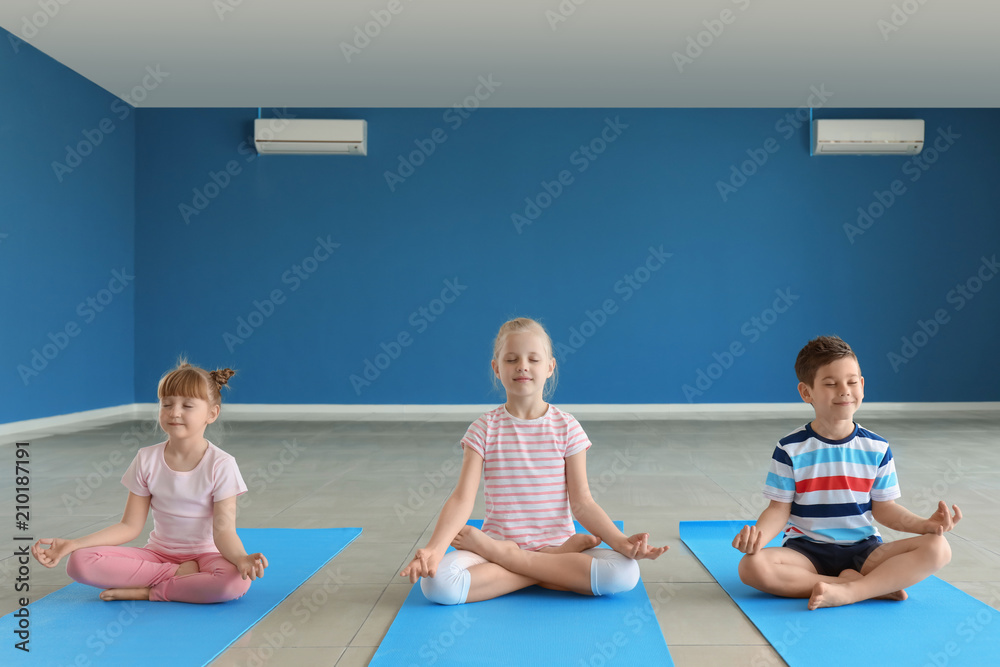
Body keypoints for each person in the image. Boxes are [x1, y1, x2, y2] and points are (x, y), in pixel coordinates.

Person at [400, 317, 667, 604]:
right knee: (437, 586)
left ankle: (515, 559)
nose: (522, 366)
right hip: (504, 542)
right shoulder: (484, 428)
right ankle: (551, 566)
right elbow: (462, 498)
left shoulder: (567, 427)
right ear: (496, 368)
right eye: (511, 359)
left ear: (550, 367)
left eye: (534, 359)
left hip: (506, 551)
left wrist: (621, 542)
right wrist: (435, 550)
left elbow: (583, 503)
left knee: (626, 573)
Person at [732, 335, 961, 610]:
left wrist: (925, 525)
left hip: (865, 551)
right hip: (805, 551)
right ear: (807, 393)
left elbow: (885, 509)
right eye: (830, 384)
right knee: (751, 567)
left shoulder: (877, 447)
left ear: (862, 386)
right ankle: (866, 586)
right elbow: (779, 509)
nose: (844, 390)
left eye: (852, 382)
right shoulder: (789, 448)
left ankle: (853, 590)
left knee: (939, 548)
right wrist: (758, 537)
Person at [31, 361, 267, 603]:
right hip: (157, 555)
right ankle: (178, 577)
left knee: (235, 581)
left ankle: (151, 591)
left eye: (187, 405)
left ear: (212, 414)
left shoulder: (222, 464)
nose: (174, 412)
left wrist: (240, 558)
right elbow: (129, 526)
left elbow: (223, 531)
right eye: (166, 404)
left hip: (206, 556)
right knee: (79, 562)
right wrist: (72, 544)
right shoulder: (146, 458)